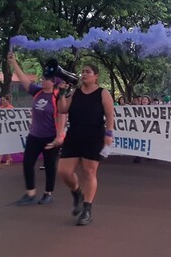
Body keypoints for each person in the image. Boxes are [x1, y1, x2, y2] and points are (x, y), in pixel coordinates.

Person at [57, 63, 114, 226]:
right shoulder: (75, 92)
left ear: (96, 76)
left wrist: (109, 134)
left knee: (89, 173)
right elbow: (62, 109)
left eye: (88, 72)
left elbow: (110, 115)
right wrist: (61, 94)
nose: (84, 74)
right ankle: (77, 193)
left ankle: (87, 209)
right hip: (74, 134)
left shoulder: (102, 93)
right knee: (64, 171)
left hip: (93, 135)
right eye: (82, 72)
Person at [7, 52, 67, 206]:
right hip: (34, 135)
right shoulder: (37, 92)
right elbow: (23, 79)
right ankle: (30, 192)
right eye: (43, 79)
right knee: (27, 163)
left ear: (53, 82)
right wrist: (14, 62)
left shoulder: (57, 96)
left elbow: (62, 115)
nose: (44, 81)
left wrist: (59, 136)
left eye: (47, 80)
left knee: (49, 166)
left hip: (50, 137)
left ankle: (48, 193)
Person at [0, 94, 14, 170]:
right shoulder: (0, 108)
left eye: (4, 100)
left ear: (8, 101)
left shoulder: (11, 108)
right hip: (2, 130)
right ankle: (8, 159)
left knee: (3, 146)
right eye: (1, 100)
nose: (2, 102)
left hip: (8, 130)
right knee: (3, 145)